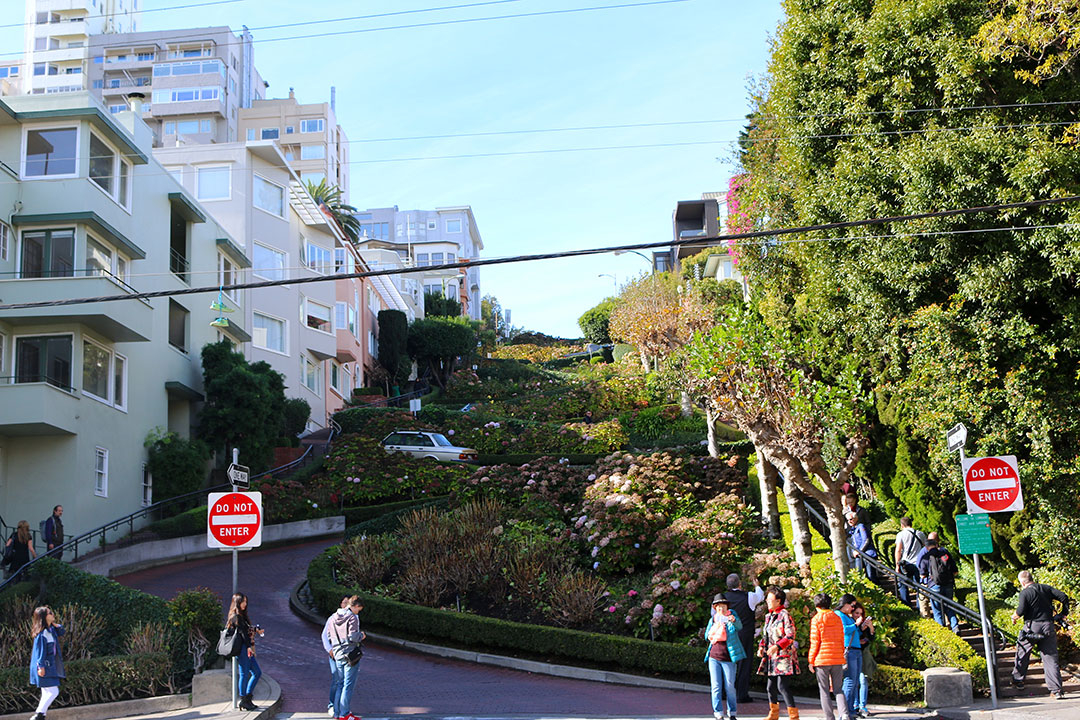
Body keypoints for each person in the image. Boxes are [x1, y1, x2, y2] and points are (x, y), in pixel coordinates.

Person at [1011, 570, 1070, 699]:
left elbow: (1021, 610)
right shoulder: (1046, 588)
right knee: (1051, 657)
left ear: (1022, 582)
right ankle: (1057, 690)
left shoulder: (1025, 593)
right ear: (1032, 578)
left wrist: (1014, 617)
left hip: (1032, 627)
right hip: (1048, 625)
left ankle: (1018, 680)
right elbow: (1063, 596)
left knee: (1023, 651)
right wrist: (1064, 613)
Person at [757, 586, 800, 720]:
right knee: (770, 687)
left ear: (779, 601)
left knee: (782, 686)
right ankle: (773, 713)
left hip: (783, 657)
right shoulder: (768, 616)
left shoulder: (785, 615)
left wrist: (777, 646)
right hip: (771, 657)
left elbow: (790, 635)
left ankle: (793, 715)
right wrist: (761, 647)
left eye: (770, 599)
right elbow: (766, 636)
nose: (768, 601)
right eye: (767, 599)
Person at [724, 572, 765, 704]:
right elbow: (761, 596)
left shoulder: (722, 598)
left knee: (727, 662)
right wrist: (757, 585)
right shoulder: (749, 596)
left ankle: (725, 692)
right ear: (740, 584)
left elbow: (714, 615)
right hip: (744, 634)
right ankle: (742, 694)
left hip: (727, 634)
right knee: (744, 664)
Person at [809, 593, 849, 720]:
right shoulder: (837, 618)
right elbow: (841, 638)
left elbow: (815, 642)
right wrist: (841, 653)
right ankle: (845, 714)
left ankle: (829, 717)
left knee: (824, 691)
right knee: (838, 689)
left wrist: (811, 660)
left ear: (817, 605)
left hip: (822, 659)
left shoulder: (816, 619)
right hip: (837, 658)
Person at [705, 594, 745, 720]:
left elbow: (739, 627)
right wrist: (715, 628)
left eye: (723, 607)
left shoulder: (731, 618)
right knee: (716, 686)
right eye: (718, 607)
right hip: (714, 657)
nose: (721, 610)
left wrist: (732, 621)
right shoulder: (713, 620)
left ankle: (732, 712)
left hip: (728, 657)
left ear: (727, 607)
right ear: (715, 608)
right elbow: (707, 636)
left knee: (729, 686)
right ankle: (718, 713)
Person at [329, 595, 365, 720]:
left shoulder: (334, 617)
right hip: (350, 655)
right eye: (359, 609)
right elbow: (353, 637)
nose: (359, 611)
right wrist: (361, 635)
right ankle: (345, 714)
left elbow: (329, 634)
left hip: (338, 653)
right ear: (355, 606)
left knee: (340, 684)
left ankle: (337, 713)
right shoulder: (352, 618)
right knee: (348, 685)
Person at [226, 592, 264, 711]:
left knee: (257, 672)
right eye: (243, 602)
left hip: (247, 648)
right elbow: (242, 633)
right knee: (244, 674)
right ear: (237, 602)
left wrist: (255, 629)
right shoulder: (235, 616)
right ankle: (244, 699)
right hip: (242, 649)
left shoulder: (242, 616)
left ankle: (247, 698)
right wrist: (248, 647)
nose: (245, 604)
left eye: (246, 602)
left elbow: (246, 630)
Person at [29, 605, 65, 720]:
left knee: (46, 692)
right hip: (45, 666)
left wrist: (55, 625)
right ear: (44, 617)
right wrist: (41, 666)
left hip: (50, 665)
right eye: (50, 613)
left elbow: (62, 631)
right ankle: (39, 715)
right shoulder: (42, 633)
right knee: (53, 691)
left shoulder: (51, 630)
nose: (52, 614)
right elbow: (40, 652)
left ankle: (40, 716)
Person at [918, 537, 959, 632]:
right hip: (948, 584)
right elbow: (955, 571)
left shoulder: (926, 557)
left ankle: (942, 631)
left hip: (934, 586)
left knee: (937, 611)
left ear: (926, 547)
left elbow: (922, 575)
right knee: (949, 607)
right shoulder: (945, 554)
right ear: (936, 545)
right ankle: (955, 626)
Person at [322, 597, 350, 718]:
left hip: (347, 654)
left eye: (348, 603)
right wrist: (330, 650)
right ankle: (332, 705)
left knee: (345, 681)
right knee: (337, 678)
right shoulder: (333, 617)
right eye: (345, 603)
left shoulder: (353, 617)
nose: (346, 605)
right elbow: (324, 635)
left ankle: (342, 708)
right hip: (335, 654)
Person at [836, 594, 862, 718]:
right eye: (852, 606)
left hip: (856, 649)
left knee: (855, 680)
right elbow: (843, 630)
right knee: (850, 681)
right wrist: (856, 625)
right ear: (845, 604)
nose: (853, 608)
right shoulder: (838, 615)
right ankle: (844, 712)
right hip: (849, 650)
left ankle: (850, 710)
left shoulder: (846, 616)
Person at [893, 518, 926, 605]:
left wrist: (897, 565)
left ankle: (907, 605)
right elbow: (926, 547)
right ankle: (920, 606)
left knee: (903, 584)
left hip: (906, 563)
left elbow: (898, 550)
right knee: (919, 586)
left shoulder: (901, 534)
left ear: (902, 525)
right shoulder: (920, 534)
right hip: (919, 563)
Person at [851, 602, 875, 718]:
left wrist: (870, 628)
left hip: (863, 654)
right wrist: (858, 626)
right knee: (854, 680)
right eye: (856, 613)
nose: (859, 616)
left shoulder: (862, 624)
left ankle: (862, 705)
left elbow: (871, 638)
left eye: (861, 614)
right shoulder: (851, 623)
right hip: (853, 653)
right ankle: (855, 704)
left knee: (863, 679)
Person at [846, 513, 876, 581]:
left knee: (871, 575)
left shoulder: (861, 526)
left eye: (851, 519)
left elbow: (866, 540)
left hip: (867, 554)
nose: (849, 521)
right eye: (848, 520)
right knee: (858, 574)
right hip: (859, 555)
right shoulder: (853, 530)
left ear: (856, 518)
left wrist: (859, 551)